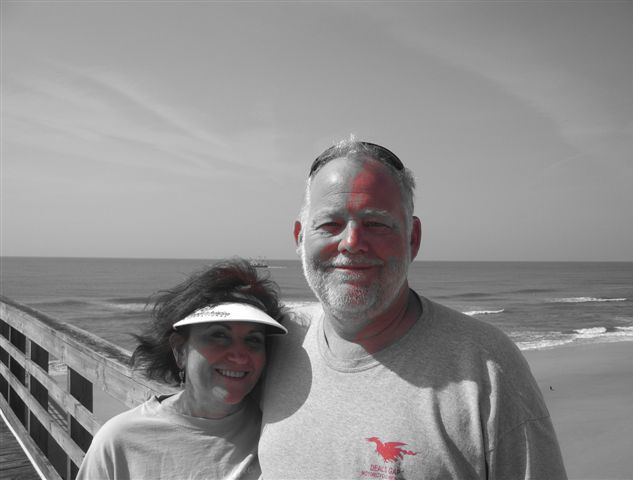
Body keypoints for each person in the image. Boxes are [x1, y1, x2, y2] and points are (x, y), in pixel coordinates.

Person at [258, 139, 567, 479]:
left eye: (376, 224)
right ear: (300, 238)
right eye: (330, 224)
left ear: (412, 238)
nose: (352, 242)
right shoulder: (269, 345)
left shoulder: (488, 367)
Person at [76, 258, 287, 480]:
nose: (239, 355)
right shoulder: (119, 441)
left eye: (253, 339)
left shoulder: (279, 432)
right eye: (219, 335)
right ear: (179, 351)